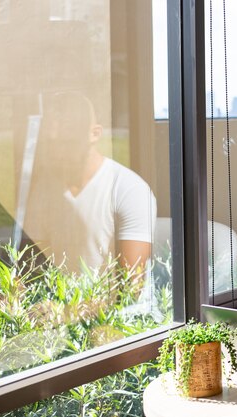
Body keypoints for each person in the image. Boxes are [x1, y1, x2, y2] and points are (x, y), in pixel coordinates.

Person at [24, 91, 156, 286]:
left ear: (95, 134)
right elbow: (33, 265)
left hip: (117, 313)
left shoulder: (130, 190)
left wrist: (68, 311)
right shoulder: (45, 188)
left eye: (66, 142)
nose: (57, 152)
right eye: (51, 144)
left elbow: (131, 287)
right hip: (58, 308)